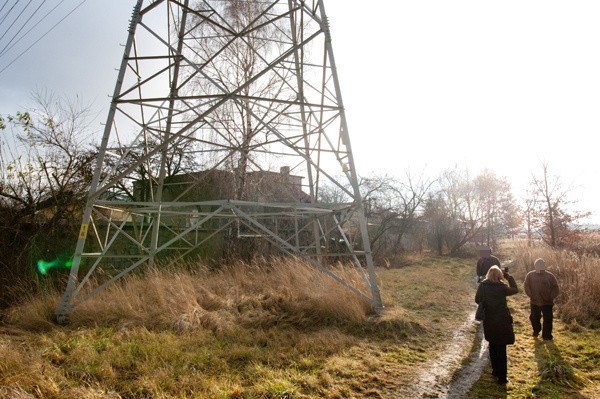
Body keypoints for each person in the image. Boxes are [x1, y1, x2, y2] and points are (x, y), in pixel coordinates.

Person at [475, 265, 519, 384]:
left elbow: (477, 299)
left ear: (488, 274)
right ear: (500, 275)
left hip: (489, 319)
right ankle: (502, 377)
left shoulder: (483, 286)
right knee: (502, 347)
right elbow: (515, 289)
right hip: (502, 319)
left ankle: (495, 370)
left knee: (493, 344)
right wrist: (509, 277)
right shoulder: (502, 287)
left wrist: (486, 302)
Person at [523, 258, 560, 341]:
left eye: (541, 265)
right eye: (537, 265)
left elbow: (556, 287)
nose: (539, 267)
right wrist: (531, 295)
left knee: (548, 319)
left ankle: (546, 336)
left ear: (544, 266)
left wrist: (551, 296)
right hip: (535, 301)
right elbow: (526, 285)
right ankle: (536, 330)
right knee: (534, 318)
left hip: (547, 302)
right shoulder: (530, 275)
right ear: (535, 266)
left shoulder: (550, 276)